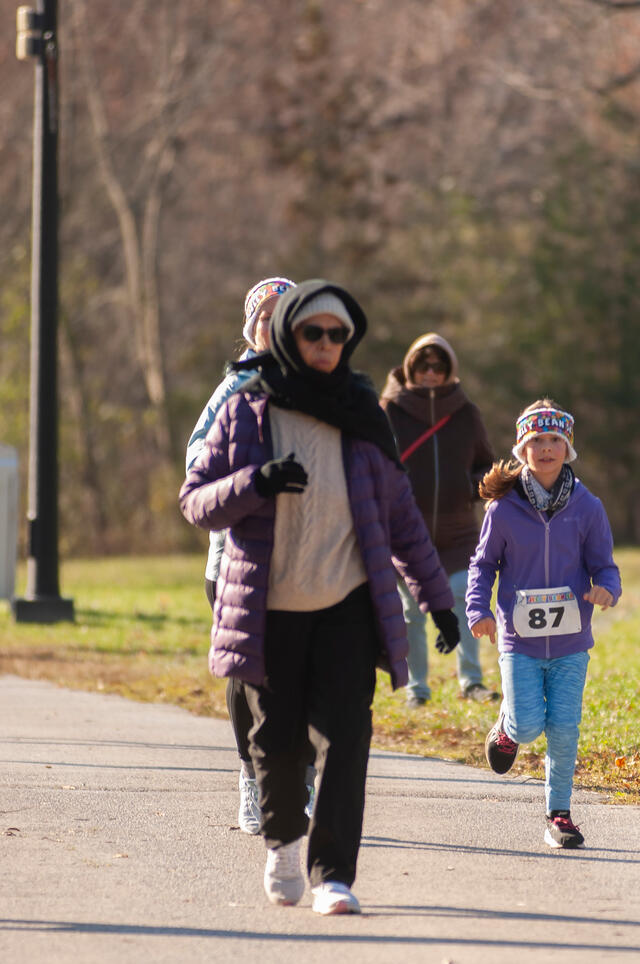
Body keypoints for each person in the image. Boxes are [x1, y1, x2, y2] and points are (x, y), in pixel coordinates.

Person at [179, 279, 459, 915]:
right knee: (275, 743)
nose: (328, 345)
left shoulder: (363, 411)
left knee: (347, 739)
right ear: (287, 336)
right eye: (314, 333)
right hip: (268, 605)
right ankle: (282, 837)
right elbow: (195, 500)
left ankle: (333, 873)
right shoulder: (245, 407)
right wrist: (256, 482)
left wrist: (437, 598)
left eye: (339, 334)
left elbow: (400, 515)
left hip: (347, 605)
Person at [185, 276, 316, 836]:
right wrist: (253, 481)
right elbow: (196, 462)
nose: (276, 324)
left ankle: (302, 778)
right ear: (253, 326)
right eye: (267, 316)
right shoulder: (233, 388)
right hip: (236, 557)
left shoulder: (320, 383)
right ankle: (251, 777)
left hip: (308, 554)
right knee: (247, 672)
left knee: (307, 670)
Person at [466, 399, 621, 849]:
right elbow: (483, 565)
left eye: (555, 439)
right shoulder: (503, 509)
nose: (547, 448)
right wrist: (478, 610)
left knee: (565, 728)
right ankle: (508, 729)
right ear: (522, 448)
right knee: (530, 724)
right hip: (520, 641)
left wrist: (607, 589)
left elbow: (605, 566)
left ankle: (559, 814)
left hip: (572, 643)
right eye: (537, 440)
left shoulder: (587, 506)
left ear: (567, 448)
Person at [380, 333, 497, 706]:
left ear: (449, 371)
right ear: (410, 367)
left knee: (464, 601)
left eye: (439, 366)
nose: (431, 373)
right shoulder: (389, 410)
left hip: (458, 532)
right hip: (404, 535)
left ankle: (472, 682)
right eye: (423, 365)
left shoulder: (466, 413)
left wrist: (474, 484)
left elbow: (486, 465)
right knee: (411, 612)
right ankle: (417, 689)